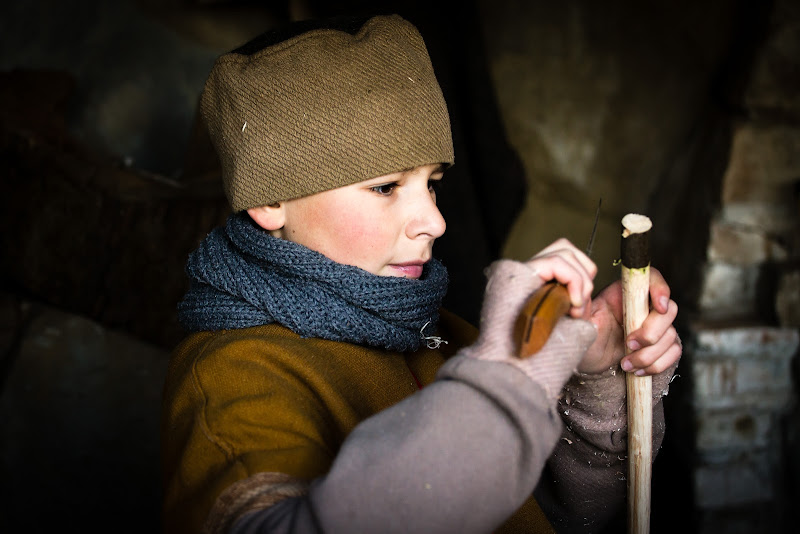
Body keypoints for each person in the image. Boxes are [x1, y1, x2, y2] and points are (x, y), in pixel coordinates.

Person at [160, 14, 681, 534]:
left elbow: (555, 514)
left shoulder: (442, 333)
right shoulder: (234, 379)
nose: (436, 221)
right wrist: (504, 377)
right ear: (271, 201)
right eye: (386, 187)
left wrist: (594, 379)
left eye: (431, 183)